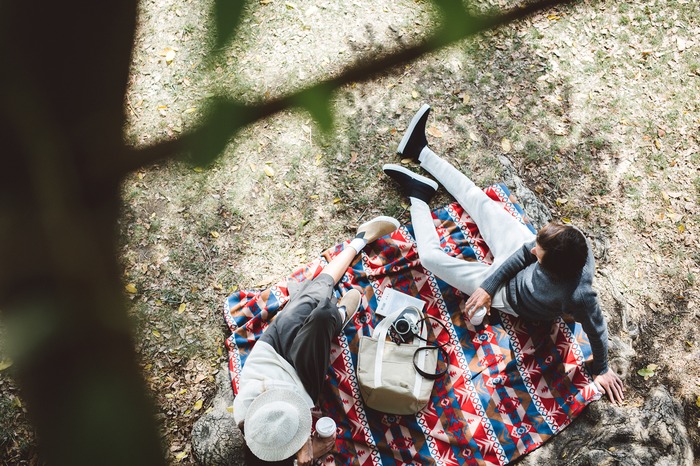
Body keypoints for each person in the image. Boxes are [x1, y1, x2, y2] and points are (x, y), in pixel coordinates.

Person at [382, 104, 624, 405]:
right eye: (539, 243)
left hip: (510, 297)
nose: (533, 248)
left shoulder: (579, 296)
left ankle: (418, 197)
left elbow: (597, 330)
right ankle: (420, 150)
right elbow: (525, 251)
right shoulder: (572, 241)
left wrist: (601, 369)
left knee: (431, 259)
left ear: (553, 268)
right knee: (478, 201)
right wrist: (487, 285)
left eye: (540, 252)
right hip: (499, 282)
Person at [233, 216, 400, 465]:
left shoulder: (248, 421)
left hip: (270, 351)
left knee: (317, 292)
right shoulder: (277, 446)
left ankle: (360, 240)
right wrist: (309, 455)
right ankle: (336, 316)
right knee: (322, 315)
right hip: (302, 377)